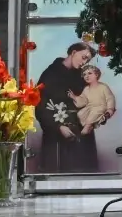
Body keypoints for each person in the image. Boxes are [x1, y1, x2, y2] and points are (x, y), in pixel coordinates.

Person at [35, 42, 95, 172]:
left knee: (83, 175)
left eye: (88, 60)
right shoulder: (50, 74)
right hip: (56, 136)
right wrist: (58, 127)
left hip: (81, 136)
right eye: (84, 57)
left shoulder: (82, 76)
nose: (84, 62)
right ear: (73, 52)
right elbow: (39, 105)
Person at [73, 64, 117, 131]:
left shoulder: (103, 87)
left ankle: (87, 128)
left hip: (101, 107)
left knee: (94, 114)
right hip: (90, 107)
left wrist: (110, 109)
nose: (86, 76)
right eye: (84, 74)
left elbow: (110, 98)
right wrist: (74, 97)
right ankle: (90, 125)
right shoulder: (86, 89)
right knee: (80, 114)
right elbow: (83, 100)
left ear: (96, 75)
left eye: (89, 73)